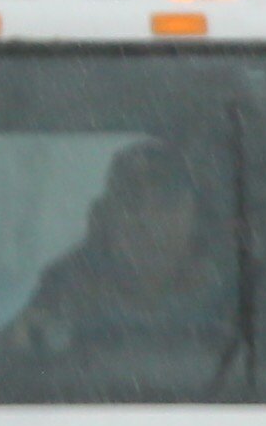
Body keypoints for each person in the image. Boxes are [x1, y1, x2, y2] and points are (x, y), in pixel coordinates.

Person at [17, 139, 230, 353]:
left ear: (196, 214)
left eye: (166, 203)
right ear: (107, 216)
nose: (147, 219)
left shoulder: (232, 291)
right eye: (132, 202)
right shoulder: (63, 288)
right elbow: (18, 351)